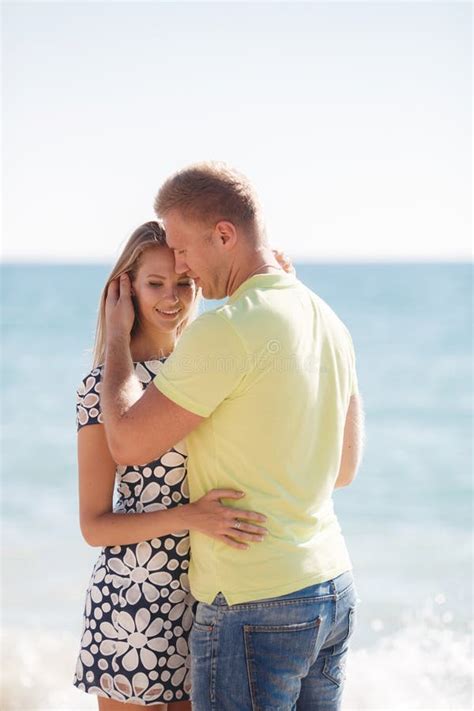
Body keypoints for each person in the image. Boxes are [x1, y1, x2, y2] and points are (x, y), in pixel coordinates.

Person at [101, 163, 365, 710]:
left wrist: (116, 344)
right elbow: (344, 469)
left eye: (182, 248)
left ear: (224, 234)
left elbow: (126, 443)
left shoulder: (227, 329)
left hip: (253, 602)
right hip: (331, 589)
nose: (182, 267)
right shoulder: (326, 318)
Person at [73, 221, 272, 710]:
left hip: (207, 599)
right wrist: (189, 516)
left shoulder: (206, 368)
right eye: (155, 284)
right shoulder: (101, 387)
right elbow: (94, 526)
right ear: (126, 289)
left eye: (183, 282)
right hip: (132, 608)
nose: (172, 297)